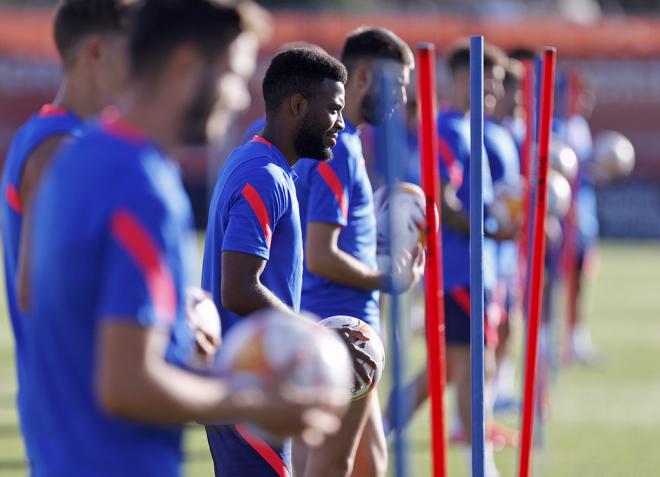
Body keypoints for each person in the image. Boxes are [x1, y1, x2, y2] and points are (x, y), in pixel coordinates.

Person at [24, 2, 343, 476]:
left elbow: (38, 296)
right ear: (186, 68)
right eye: (232, 75)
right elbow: (127, 385)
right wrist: (254, 400)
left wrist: (175, 318)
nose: (239, 99)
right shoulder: (141, 183)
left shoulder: (76, 155)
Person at [201, 47, 357, 477]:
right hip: (250, 382)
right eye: (334, 109)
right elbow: (239, 288)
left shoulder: (264, 166)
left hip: (255, 378)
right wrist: (314, 339)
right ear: (298, 106)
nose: (341, 123)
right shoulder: (263, 176)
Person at [0, 0, 136, 467]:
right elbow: (36, 291)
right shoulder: (61, 146)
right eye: (131, 51)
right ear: (95, 50)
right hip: (81, 418)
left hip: (76, 412)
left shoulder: (59, 136)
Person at [293, 27, 421, 477]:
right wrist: (388, 277)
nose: (401, 99)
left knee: (371, 463)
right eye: (399, 85)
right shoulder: (338, 148)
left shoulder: (339, 142)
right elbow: (320, 254)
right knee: (330, 465)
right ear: (364, 77)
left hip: (342, 328)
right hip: (337, 329)